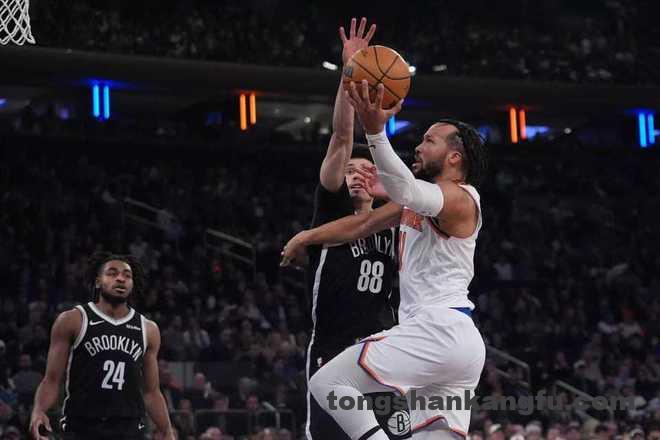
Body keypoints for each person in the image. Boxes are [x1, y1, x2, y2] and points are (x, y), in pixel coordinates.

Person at [281, 80, 487, 439]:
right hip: (453, 342)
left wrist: (375, 130)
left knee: (328, 383)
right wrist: (307, 236)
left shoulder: (460, 197)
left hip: (434, 329)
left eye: (429, 141)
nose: (418, 146)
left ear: (454, 157)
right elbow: (364, 223)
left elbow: (406, 189)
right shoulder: (416, 203)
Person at [291, 17, 408, 440]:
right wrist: (351, 71)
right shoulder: (330, 215)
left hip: (382, 352)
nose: (358, 175)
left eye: (366, 170)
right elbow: (342, 138)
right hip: (333, 348)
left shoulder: (394, 220)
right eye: (351, 171)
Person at [29, 252, 175, 440]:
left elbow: (151, 392)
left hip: (129, 429)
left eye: (127, 275)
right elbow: (52, 379)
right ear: (98, 282)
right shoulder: (73, 320)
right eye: (112, 273)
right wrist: (39, 410)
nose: (120, 279)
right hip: (82, 427)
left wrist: (167, 430)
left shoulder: (148, 329)